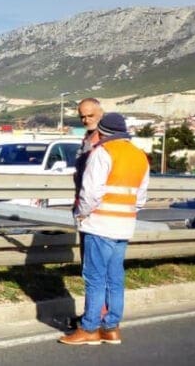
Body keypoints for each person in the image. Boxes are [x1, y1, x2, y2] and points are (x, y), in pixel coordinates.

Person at [60, 112, 150, 346]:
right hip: (124, 225)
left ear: (103, 131)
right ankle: (111, 328)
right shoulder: (139, 156)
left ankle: (89, 328)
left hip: (100, 224)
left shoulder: (102, 152)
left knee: (95, 277)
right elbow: (140, 198)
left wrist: (81, 214)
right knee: (115, 278)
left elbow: (89, 192)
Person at [71, 98, 104, 218]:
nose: (86, 120)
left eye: (90, 116)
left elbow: (94, 181)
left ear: (101, 113)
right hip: (84, 203)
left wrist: (83, 211)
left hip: (96, 209)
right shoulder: (88, 138)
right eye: (82, 117)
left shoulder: (104, 139)